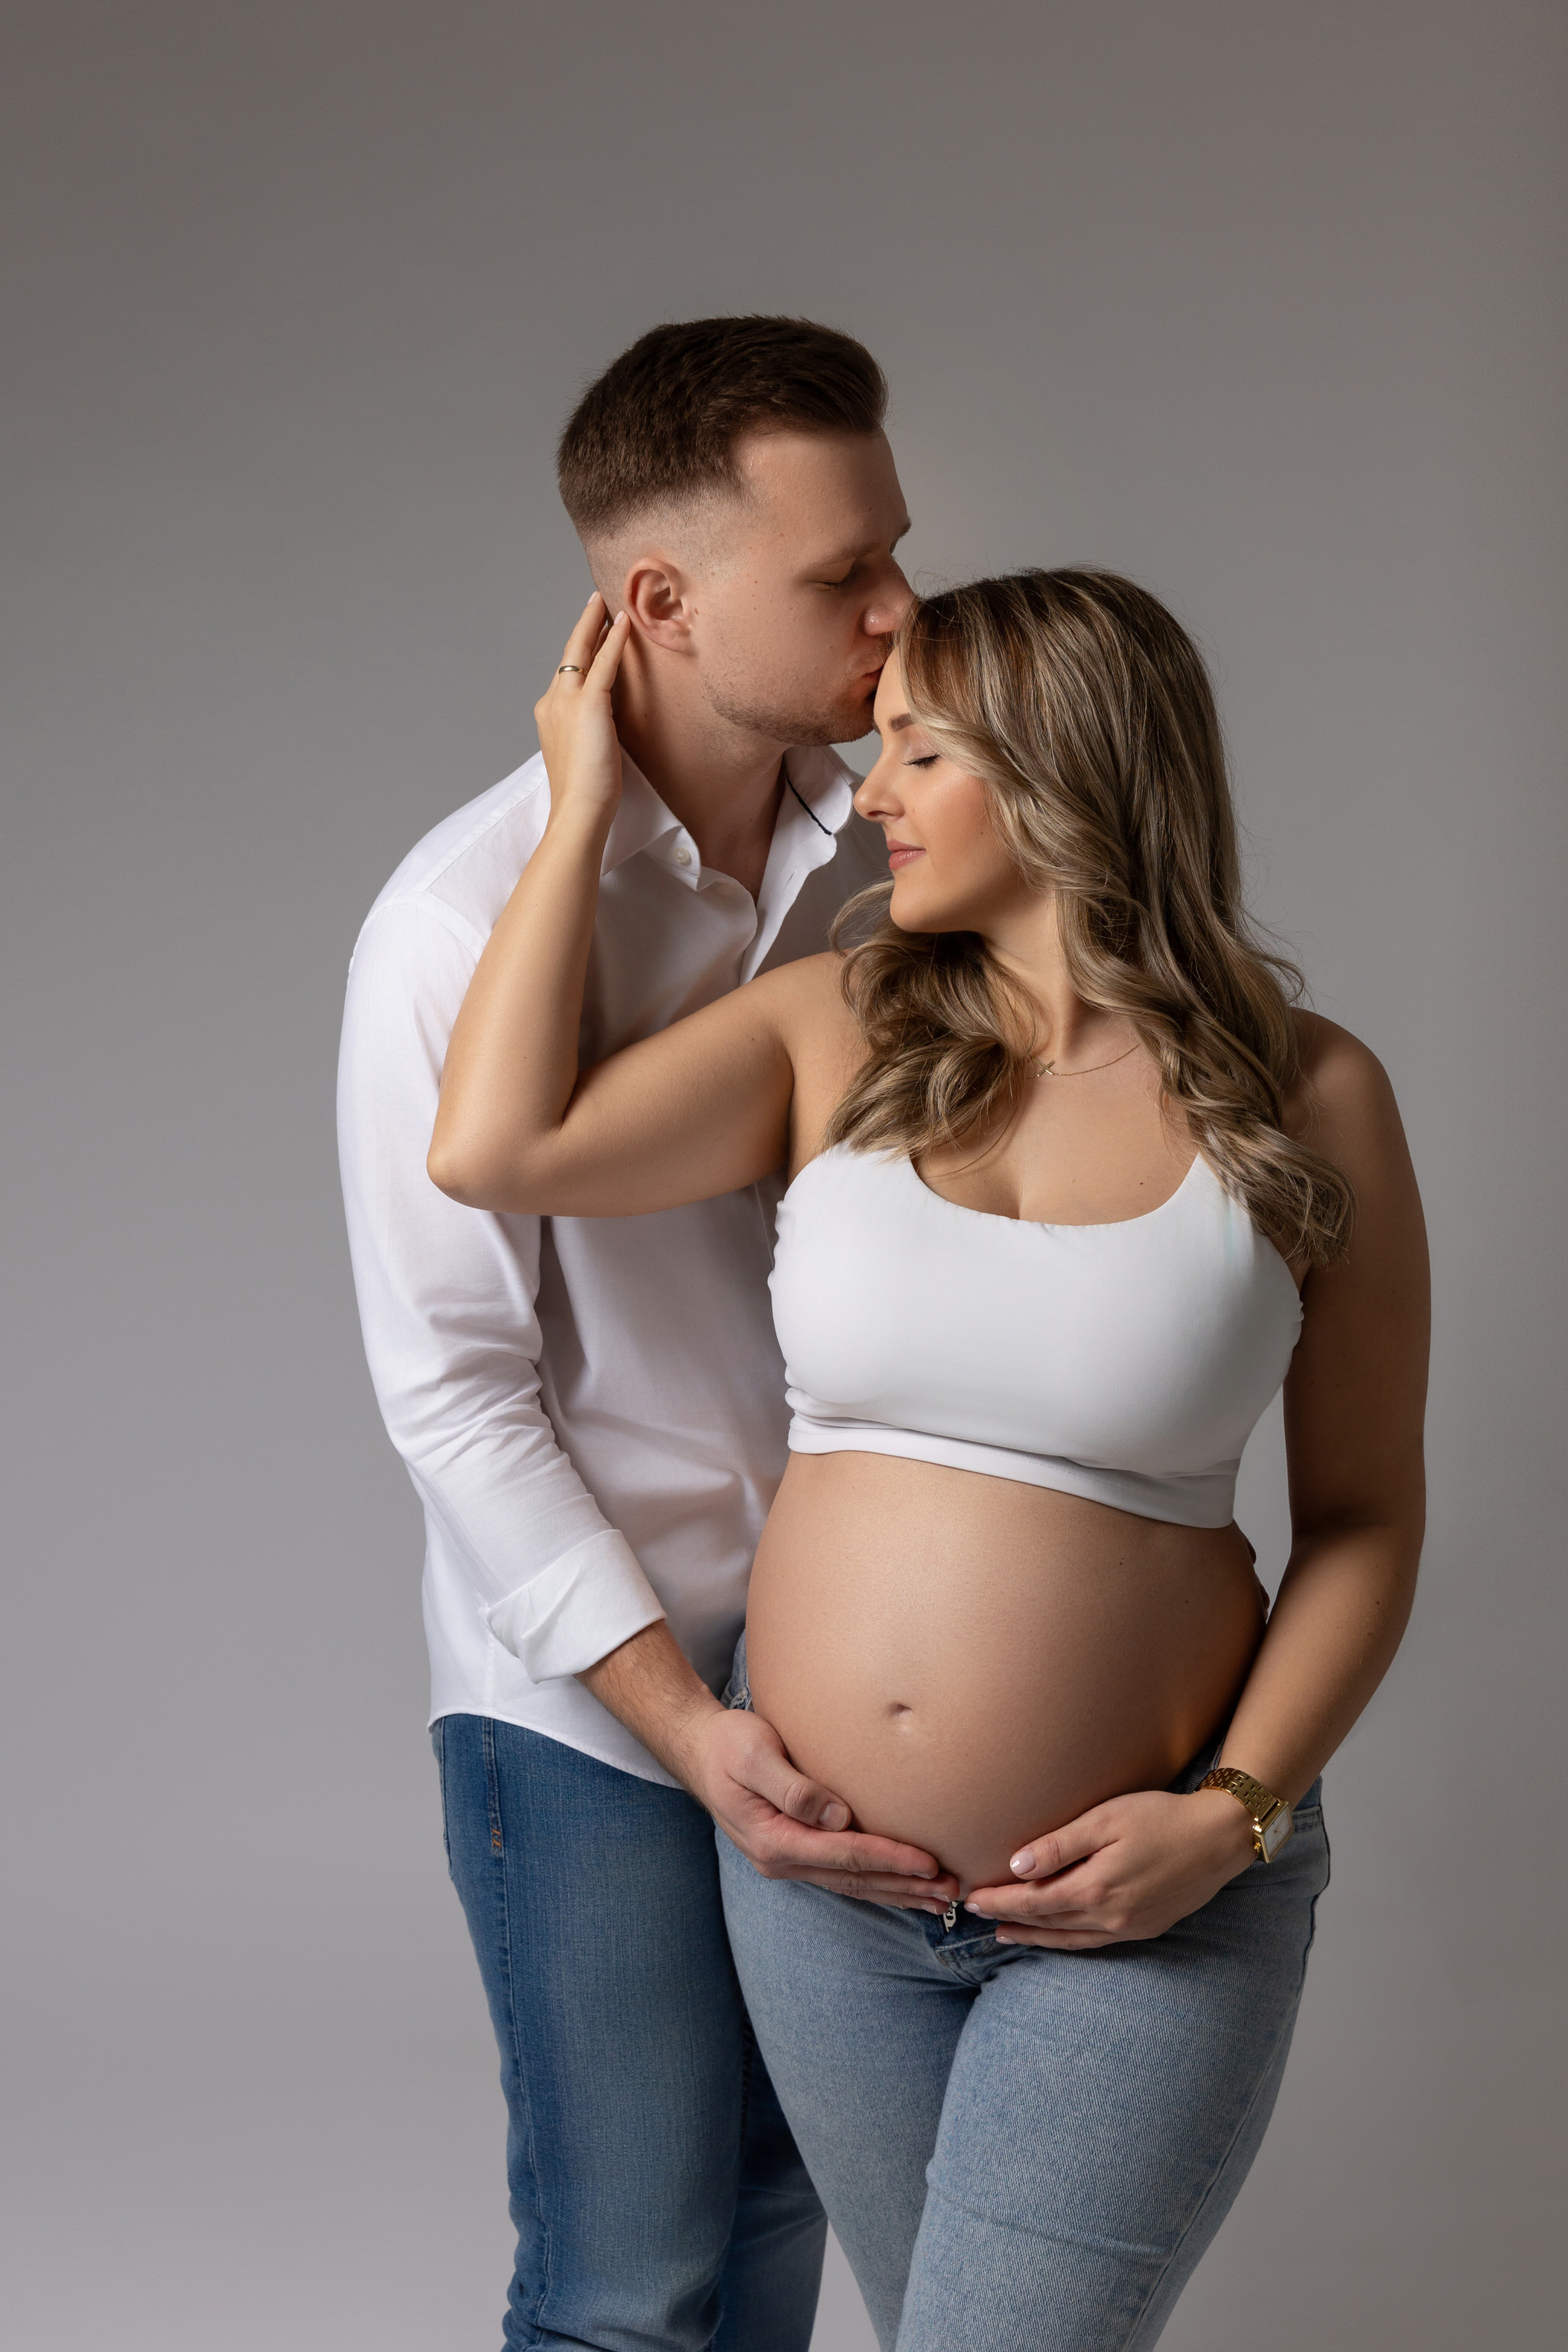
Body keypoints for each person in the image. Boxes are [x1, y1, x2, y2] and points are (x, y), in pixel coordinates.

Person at [428, 566, 1430, 2350]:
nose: (868, 791)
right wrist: (581, 806)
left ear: (1061, 770)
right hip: (829, 1896)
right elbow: (496, 1146)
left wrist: (1233, 1815)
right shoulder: (835, 1024)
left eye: (919, 752)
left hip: (1141, 1899)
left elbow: (1361, 1520)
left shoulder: (1310, 1093)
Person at [338, 315, 950, 2352]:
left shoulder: (910, 855)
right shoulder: (456, 926)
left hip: (844, 1661)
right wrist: (684, 1726)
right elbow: (453, 1392)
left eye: (897, 551)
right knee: (628, 2283)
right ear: (658, 605)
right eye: (843, 572)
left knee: (779, 2208)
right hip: (592, 1696)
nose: (900, 609)